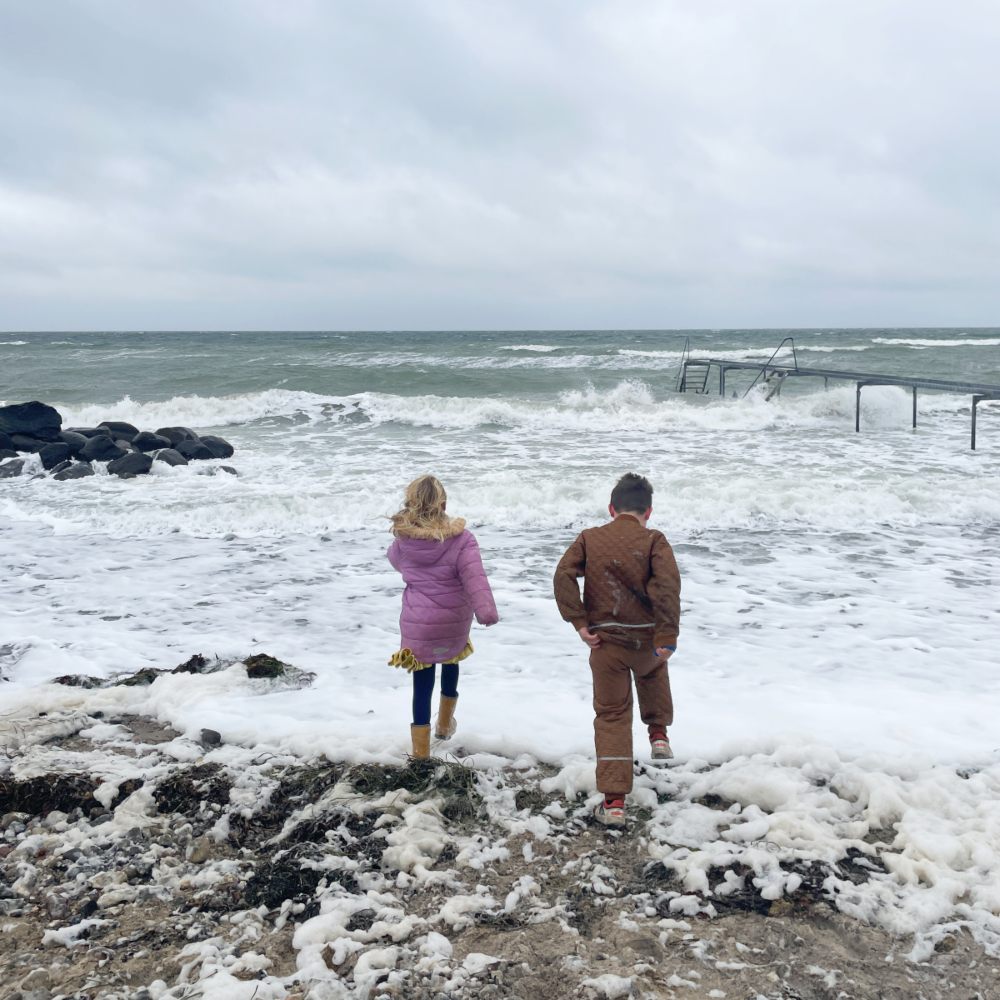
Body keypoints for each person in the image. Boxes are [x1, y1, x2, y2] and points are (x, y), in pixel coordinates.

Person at [553, 473, 681, 828]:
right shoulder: (655, 540)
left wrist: (578, 622)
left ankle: (614, 804)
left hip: (605, 642)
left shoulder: (590, 538)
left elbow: (563, 574)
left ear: (612, 508)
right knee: (654, 669)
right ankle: (658, 735)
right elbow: (668, 586)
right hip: (645, 640)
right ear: (649, 511)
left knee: (611, 715)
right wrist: (667, 635)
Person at [387, 475, 499, 759]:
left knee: (421, 683)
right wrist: (486, 612)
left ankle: (421, 752)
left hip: (417, 622)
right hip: (452, 621)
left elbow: (395, 560)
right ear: (444, 504)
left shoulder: (403, 541)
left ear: (410, 506)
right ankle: (445, 724)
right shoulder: (462, 539)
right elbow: (475, 578)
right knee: (452, 659)